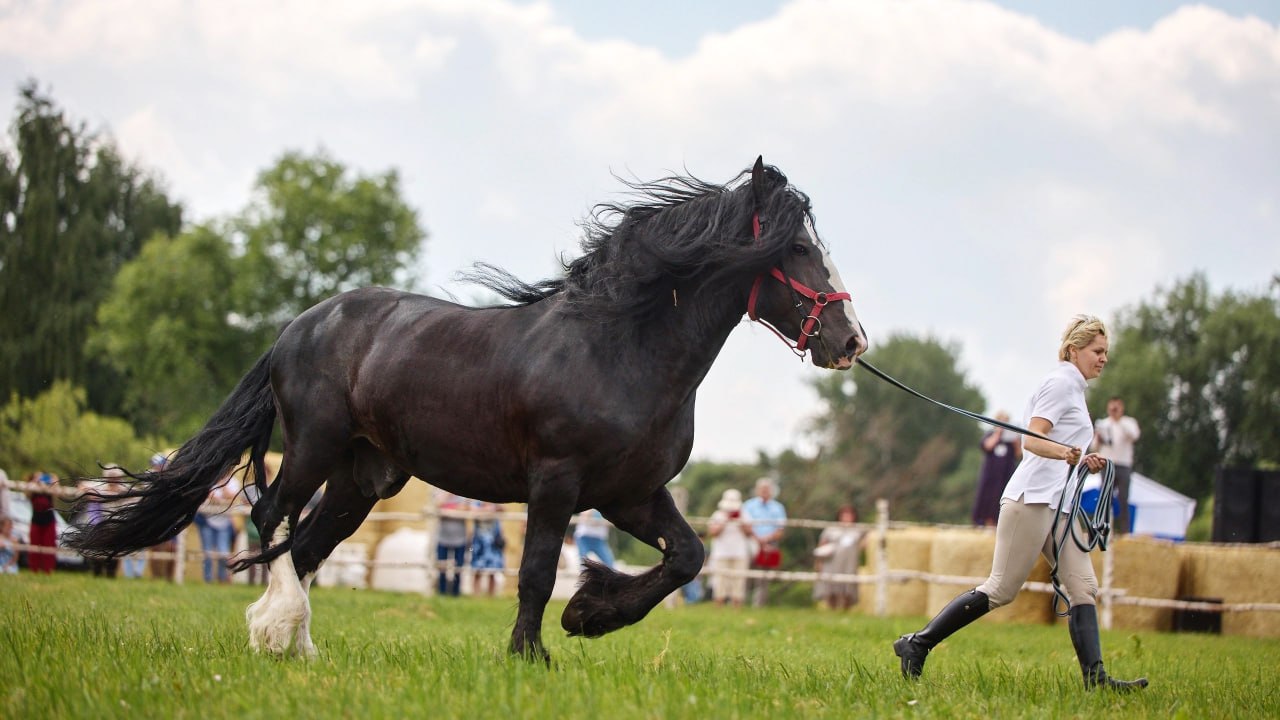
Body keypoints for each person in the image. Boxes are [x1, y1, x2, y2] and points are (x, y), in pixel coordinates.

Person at [892, 315, 1148, 691]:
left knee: (1083, 586)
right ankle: (917, 644)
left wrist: (1083, 458)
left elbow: (1062, 446)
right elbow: (1032, 440)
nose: (1103, 358)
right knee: (1001, 589)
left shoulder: (1075, 389)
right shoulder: (1060, 384)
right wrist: (1070, 454)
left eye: (1106, 351)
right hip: (1032, 499)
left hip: (1058, 502)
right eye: (1097, 351)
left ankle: (1096, 680)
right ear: (1074, 351)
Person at [1092, 396, 1141, 535]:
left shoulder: (1128, 422)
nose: (1113, 410)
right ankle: (1102, 529)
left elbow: (1135, 435)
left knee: (1123, 498)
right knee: (1104, 497)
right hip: (1107, 464)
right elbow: (1093, 447)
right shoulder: (1103, 424)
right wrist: (1098, 439)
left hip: (1124, 465)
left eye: (1116, 407)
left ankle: (1125, 531)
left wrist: (1119, 420)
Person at [972, 413, 1023, 527]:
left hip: (1006, 475)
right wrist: (998, 433)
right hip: (990, 476)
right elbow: (987, 446)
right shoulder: (990, 434)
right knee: (986, 499)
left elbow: (1018, 454)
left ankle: (997, 523)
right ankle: (982, 522)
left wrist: (1015, 441)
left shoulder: (1012, 439)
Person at [742, 476, 786, 607]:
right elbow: (745, 526)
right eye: (762, 489)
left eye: (767, 489)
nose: (765, 491)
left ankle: (759, 604)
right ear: (757, 490)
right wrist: (757, 539)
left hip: (770, 544)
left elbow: (780, 529)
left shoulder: (778, 507)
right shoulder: (748, 505)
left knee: (763, 576)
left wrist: (766, 540)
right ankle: (741, 602)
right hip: (750, 542)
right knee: (746, 572)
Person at [813, 504, 866, 611]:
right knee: (831, 588)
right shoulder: (831, 529)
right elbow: (822, 545)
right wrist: (819, 562)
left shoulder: (858, 530)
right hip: (832, 563)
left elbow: (865, 542)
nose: (847, 517)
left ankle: (846, 610)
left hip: (849, 564)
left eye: (849, 514)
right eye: (844, 514)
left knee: (848, 589)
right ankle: (832, 610)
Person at [707, 488, 750, 607]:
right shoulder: (717, 515)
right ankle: (718, 605)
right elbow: (713, 532)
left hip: (740, 553)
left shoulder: (744, 514)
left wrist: (740, 521)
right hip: (721, 553)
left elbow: (749, 532)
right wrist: (725, 520)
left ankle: (737, 605)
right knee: (720, 580)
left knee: (738, 581)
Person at [197, 473, 240, 583]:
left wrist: (221, 485)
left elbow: (232, 496)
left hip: (224, 522)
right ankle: (208, 579)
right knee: (207, 552)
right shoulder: (209, 479)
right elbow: (205, 495)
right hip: (207, 520)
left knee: (223, 553)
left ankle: (222, 578)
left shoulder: (233, 481)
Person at [146, 453, 177, 581]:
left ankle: (169, 577)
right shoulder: (149, 477)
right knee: (155, 547)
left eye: (158, 465)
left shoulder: (173, 479)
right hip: (155, 518)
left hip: (171, 518)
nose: (156, 468)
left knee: (172, 548)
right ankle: (155, 577)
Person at [469, 501, 506, 597]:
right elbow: (473, 512)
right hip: (479, 543)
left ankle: (491, 595)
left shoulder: (495, 500)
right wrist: (489, 510)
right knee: (477, 570)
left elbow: (503, 509)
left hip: (494, 542)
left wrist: (490, 509)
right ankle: (476, 595)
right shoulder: (476, 501)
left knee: (493, 571)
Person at [435, 491, 468, 597]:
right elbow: (437, 506)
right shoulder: (439, 492)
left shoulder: (464, 494)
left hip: (460, 538)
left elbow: (464, 509)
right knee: (442, 566)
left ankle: (456, 592)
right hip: (443, 537)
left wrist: (447, 509)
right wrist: (446, 495)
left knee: (458, 566)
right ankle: (442, 591)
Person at [27, 471, 59, 573]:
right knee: (34, 546)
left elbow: (57, 492)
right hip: (36, 520)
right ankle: (34, 569)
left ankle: (48, 570)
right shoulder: (33, 490)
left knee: (49, 547)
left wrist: (54, 480)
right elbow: (27, 492)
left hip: (49, 521)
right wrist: (36, 480)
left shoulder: (50, 490)